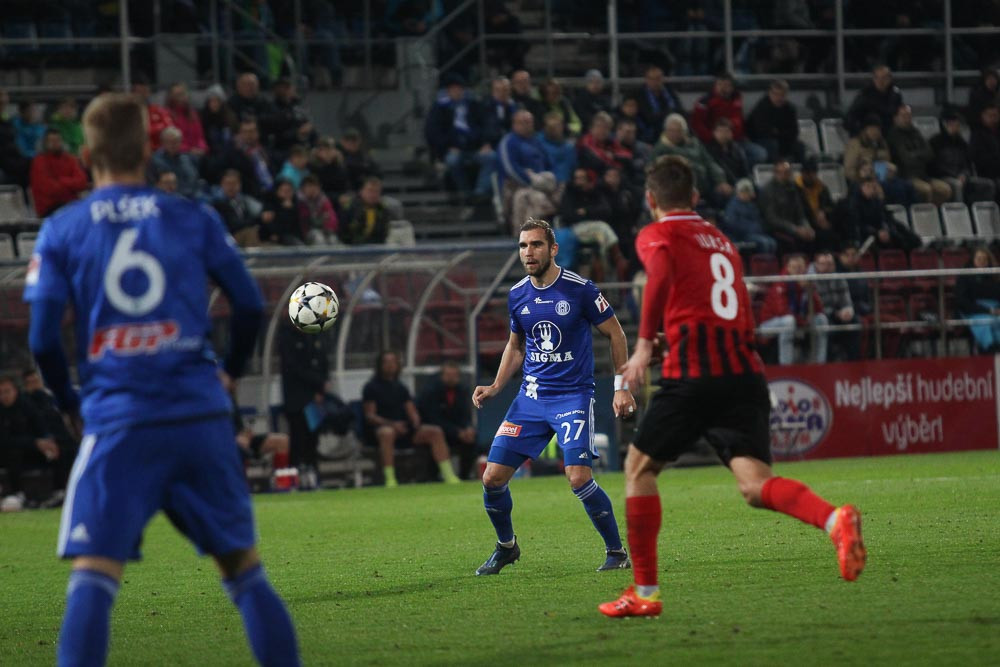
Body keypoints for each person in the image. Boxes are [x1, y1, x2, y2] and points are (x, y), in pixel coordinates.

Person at [23, 93, 299, 664]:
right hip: (199, 414)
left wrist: (70, 400)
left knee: (93, 575)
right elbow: (249, 304)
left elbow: (44, 339)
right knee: (244, 572)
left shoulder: (61, 229)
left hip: (120, 419)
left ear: (86, 154)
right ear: (148, 151)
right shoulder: (191, 216)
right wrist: (228, 375)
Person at [599, 156, 865, 617]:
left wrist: (642, 347)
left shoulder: (658, 233)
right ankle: (833, 519)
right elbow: (722, 309)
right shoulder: (721, 241)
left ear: (650, 199)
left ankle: (645, 592)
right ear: (696, 197)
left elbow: (658, 273)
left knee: (638, 468)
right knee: (755, 485)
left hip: (695, 374)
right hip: (743, 373)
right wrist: (673, 339)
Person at [472, 218, 636, 575]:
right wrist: (496, 386)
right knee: (492, 478)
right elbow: (516, 346)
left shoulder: (580, 289)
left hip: (572, 398)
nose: (528, 252)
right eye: (523, 246)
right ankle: (506, 547)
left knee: (578, 478)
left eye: (536, 245)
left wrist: (621, 387)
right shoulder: (517, 294)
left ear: (553, 249)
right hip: (530, 399)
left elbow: (617, 334)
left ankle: (616, 552)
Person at [363, 351, 461, 487]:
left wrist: (414, 421)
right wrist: (393, 425)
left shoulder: (401, 387)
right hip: (383, 430)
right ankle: (390, 478)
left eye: (393, 362)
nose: (390, 365)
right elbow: (370, 416)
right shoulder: (371, 387)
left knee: (435, 431)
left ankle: (449, 475)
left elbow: (411, 410)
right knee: (387, 433)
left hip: (404, 429)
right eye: (387, 362)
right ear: (380, 365)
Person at [278, 314, 330, 483]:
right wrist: (318, 382)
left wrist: (322, 387)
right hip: (297, 400)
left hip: (315, 399)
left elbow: (323, 363)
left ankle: (313, 475)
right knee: (297, 438)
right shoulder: (287, 337)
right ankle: (294, 477)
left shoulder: (316, 335)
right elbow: (294, 368)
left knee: (312, 438)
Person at [0, 374, 62, 508]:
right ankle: (18, 493)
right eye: (1, 393)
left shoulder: (26, 405)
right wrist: (35, 443)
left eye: (7, 391)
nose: (4, 396)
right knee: (12, 453)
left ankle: (59, 491)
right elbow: (5, 440)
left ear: (15, 391)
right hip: (9, 453)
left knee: (58, 448)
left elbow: (40, 425)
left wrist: (48, 440)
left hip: (31, 449)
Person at [758, 253, 828, 364]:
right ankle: (786, 365)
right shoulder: (781, 283)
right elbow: (782, 311)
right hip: (769, 325)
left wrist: (809, 290)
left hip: (798, 320)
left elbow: (819, 309)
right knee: (788, 321)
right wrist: (803, 321)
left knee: (821, 319)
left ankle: (820, 362)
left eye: (800, 268)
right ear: (788, 268)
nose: (798, 271)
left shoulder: (807, 282)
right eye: (795, 268)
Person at [652, 114, 733, 207]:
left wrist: (721, 181)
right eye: (671, 130)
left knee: (731, 195)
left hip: (706, 186)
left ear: (685, 131)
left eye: (678, 130)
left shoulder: (695, 143)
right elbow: (654, 170)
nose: (675, 134)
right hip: (681, 192)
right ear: (665, 131)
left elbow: (710, 163)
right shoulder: (661, 149)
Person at [417, 361, 478, 480]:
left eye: (454, 375)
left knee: (471, 439)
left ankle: (465, 476)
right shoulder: (431, 391)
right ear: (442, 376)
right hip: (440, 430)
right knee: (436, 435)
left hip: (457, 431)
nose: (451, 379)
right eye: (448, 375)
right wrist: (457, 432)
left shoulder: (462, 391)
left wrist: (468, 428)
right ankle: (435, 477)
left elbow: (465, 414)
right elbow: (433, 418)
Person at [690, 72, 767, 166]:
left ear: (732, 87)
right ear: (715, 85)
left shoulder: (737, 99)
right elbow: (697, 124)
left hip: (737, 141)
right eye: (720, 84)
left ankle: (737, 170)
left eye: (726, 85)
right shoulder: (704, 102)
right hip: (714, 142)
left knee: (760, 154)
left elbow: (738, 121)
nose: (722, 88)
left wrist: (732, 131)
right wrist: (713, 137)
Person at [887, 104, 952, 205]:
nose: (907, 119)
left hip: (923, 175)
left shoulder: (916, 132)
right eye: (904, 116)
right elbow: (906, 159)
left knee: (945, 190)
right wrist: (921, 156)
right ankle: (923, 213)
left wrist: (915, 155)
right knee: (926, 190)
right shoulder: (894, 135)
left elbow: (930, 153)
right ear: (895, 118)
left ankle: (936, 212)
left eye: (909, 115)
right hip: (906, 176)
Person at [930, 108, 996, 205]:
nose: (954, 127)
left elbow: (968, 164)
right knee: (957, 185)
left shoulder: (961, 143)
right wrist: (955, 176)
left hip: (962, 177)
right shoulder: (935, 142)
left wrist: (964, 175)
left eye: (957, 124)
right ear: (944, 124)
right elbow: (934, 166)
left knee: (988, 185)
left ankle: (983, 212)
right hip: (943, 177)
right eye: (951, 124)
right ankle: (959, 212)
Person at [812, 251, 861, 361]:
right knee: (826, 326)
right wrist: (835, 313)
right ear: (817, 266)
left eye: (830, 264)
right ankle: (829, 362)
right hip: (823, 315)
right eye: (823, 264)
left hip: (840, 313)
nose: (827, 267)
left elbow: (846, 300)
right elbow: (817, 306)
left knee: (855, 322)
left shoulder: (839, 278)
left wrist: (848, 311)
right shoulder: (813, 281)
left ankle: (853, 362)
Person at [760, 160, 815, 253]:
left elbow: (800, 213)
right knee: (793, 241)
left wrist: (807, 227)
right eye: (780, 172)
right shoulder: (767, 190)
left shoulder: (794, 187)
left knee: (814, 236)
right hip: (776, 229)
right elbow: (772, 219)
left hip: (794, 226)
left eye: (786, 172)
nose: (783, 175)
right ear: (775, 173)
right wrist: (795, 229)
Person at [30, 129, 89, 216]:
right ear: (45, 143)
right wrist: (72, 186)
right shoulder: (39, 161)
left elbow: (82, 182)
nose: (55, 143)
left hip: (72, 204)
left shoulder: (70, 159)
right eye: (52, 141)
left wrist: (61, 180)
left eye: (58, 140)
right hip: (50, 208)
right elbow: (49, 189)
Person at [955, 246, 1000, 353]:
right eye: (979, 258)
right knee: (985, 321)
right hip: (973, 310)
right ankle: (989, 348)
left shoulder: (996, 276)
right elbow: (962, 301)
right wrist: (988, 310)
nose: (982, 261)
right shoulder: (964, 276)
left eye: (985, 259)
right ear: (973, 260)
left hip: (996, 309)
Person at [746, 79, 803, 162]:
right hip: (760, 140)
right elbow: (762, 131)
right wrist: (781, 132)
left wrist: (778, 132)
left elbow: (794, 131)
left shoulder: (790, 109)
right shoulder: (762, 107)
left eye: (782, 95)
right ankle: (779, 168)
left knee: (800, 147)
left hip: (783, 140)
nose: (779, 98)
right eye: (776, 94)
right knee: (773, 145)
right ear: (770, 93)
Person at [720, 179, 777, 254]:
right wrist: (751, 228)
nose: (748, 195)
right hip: (742, 236)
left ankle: (770, 261)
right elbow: (732, 224)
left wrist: (759, 228)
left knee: (772, 242)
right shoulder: (732, 206)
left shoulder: (751, 205)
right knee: (764, 243)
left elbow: (757, 219)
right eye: (746, 192)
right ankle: (761, 261)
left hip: (755, 234)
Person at [846, 65, 904, 136]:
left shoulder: (895, 94)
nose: (880, 81)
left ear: (890, 79)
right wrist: (861, 133)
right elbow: (850, 118)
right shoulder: (865, 94)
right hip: (870, 136)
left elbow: (900, 114)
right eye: (877, 77)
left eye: (884, 78)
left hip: (890, 134)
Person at [213, 169, 265, 247]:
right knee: (249, 232)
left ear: (239, 185)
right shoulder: (218, 203)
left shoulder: (242, 201)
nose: (231, 187)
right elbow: (234, 225)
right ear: (222, 185)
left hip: (241, 236)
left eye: (234, 184)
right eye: (228, 184)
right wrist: (257, 220)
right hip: (226, 239)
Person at [148, 127, 201, 199]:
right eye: (169, 142)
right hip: (170, 198)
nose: (173, 145)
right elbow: (152, 185)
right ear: (163, 143)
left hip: (193, 195)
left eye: (176, 141)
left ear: (181, 142)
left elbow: (195, 179)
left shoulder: (187, 159)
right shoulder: (155, 161)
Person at [636, 66, 683, 145]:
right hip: (652, 133)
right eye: (652, 79)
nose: (655, 82)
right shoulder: (640, 95)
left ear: (662, 79)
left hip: (672, 127)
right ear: (647, 80)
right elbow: (649, 117)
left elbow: (679, 109)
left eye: (658, 78)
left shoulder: (670, 91)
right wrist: (668, 112)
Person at [338, 177, 391, 245]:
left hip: (376, 247)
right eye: (370, 190)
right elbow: (342, 232)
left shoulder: (383, 210)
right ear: (361, 191)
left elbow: (384, 233)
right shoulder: (350, 208)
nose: (373, 195)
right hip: (351, 248)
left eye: (376, 191)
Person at [164, 82, 207, 155]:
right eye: (177, 95)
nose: (181, 97)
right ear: (171, 97)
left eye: (182, 94)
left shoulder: (192, 114)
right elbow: (171, 142)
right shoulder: (167, 115)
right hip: (179, 153)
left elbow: (200, 137)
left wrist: (202, 148)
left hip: (197, 152)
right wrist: (190, 150)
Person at [299, 175, 338, 245]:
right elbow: (306, 221)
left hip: (323, 230)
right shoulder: (300, 201)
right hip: (306, 233)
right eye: (309, 186)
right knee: (319, 238)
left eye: (314, 186)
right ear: (303, 188)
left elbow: (332, 219)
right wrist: (321, 219)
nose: (312, 189)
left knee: (333, 238)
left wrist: (327, 227)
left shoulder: (323, 200)